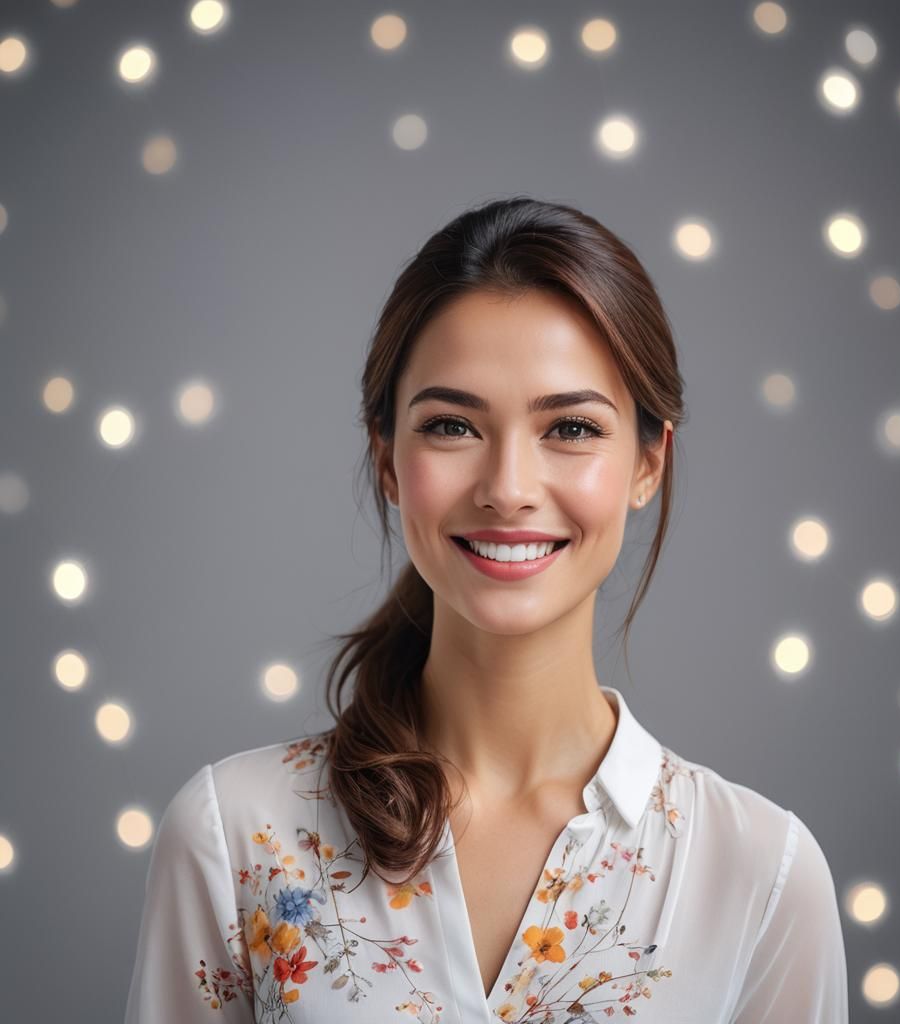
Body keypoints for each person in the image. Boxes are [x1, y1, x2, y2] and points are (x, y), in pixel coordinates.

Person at [123, 196, 849, 1023]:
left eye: (571, 427)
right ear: (388, 460)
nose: (507, 487)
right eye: (452, 426)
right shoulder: (233, 838)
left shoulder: (761, 874)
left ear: (649, 462)